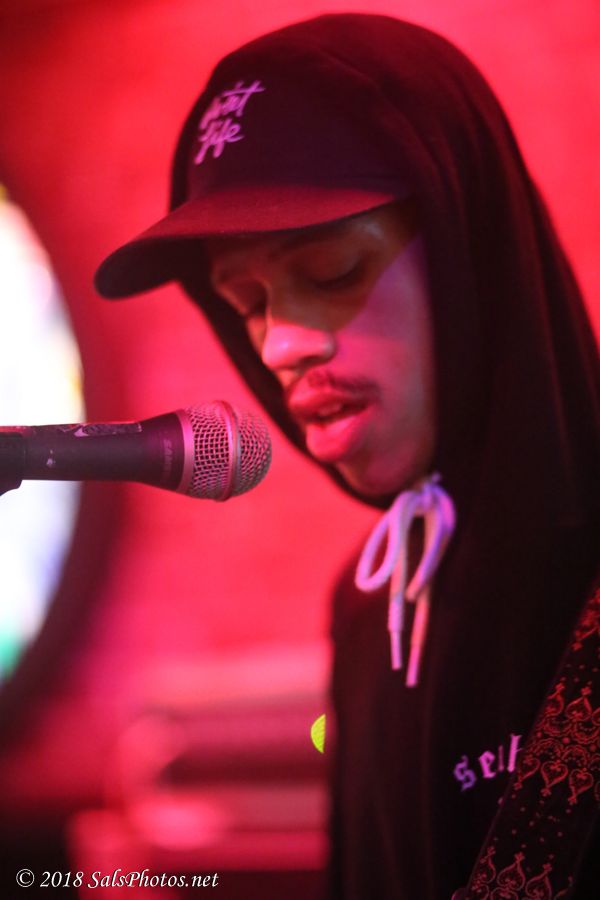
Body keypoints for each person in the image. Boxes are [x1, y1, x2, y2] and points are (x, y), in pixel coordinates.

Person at [94, 14, 599, 899]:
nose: (280, 345)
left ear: (469, 247)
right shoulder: (370, 611)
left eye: (332, 272)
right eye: (247, 303)